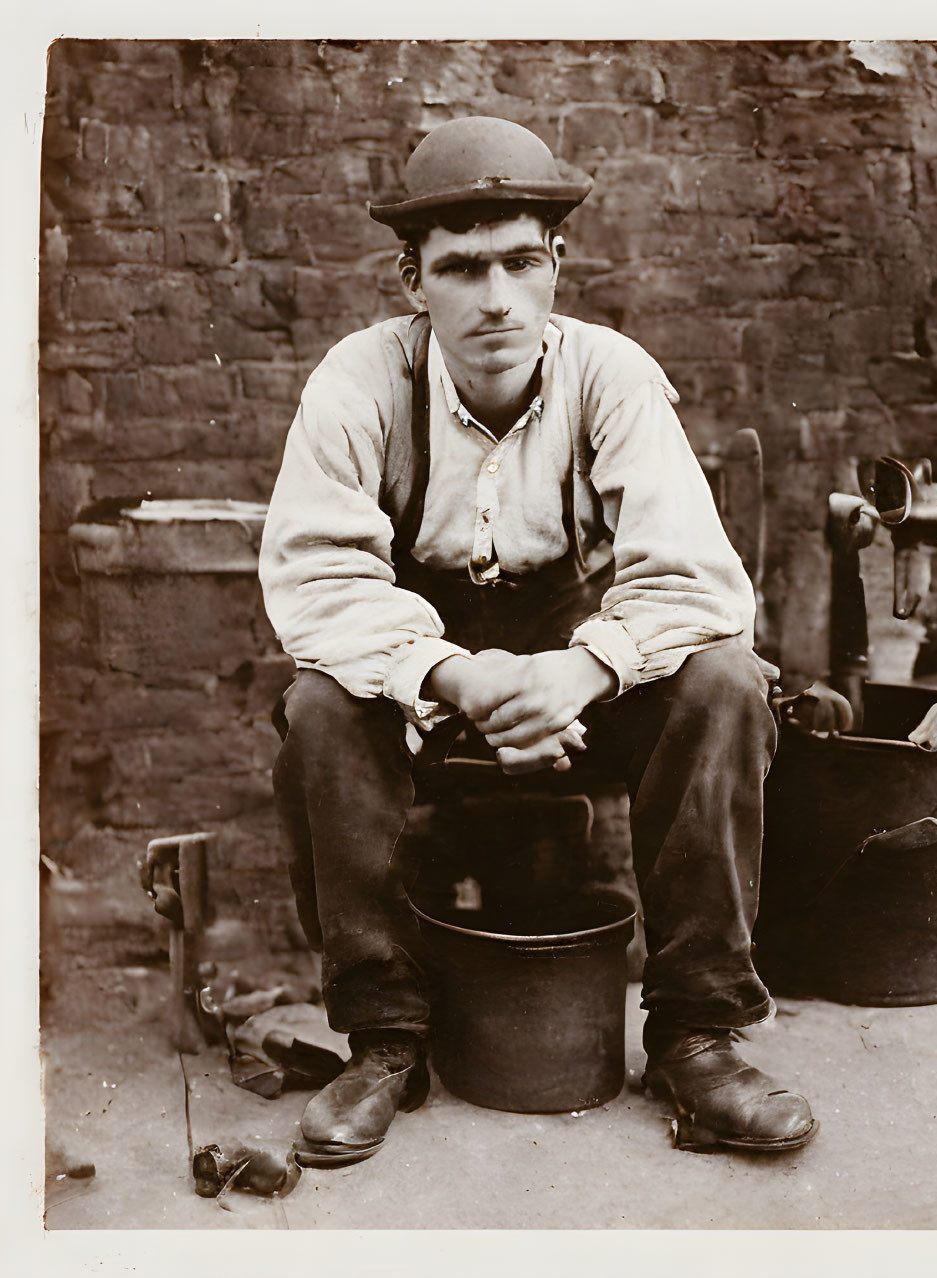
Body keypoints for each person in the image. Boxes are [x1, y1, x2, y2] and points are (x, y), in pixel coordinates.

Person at [259, 116, 816, 1165]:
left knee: (725, 683)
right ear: (411, 280)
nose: (496, 298)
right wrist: (458, 677)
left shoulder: (610, 376)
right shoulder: (357, 381)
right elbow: (318, 577)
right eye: (461, 269)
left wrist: (579, 669)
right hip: (423, 689)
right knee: (317, 708)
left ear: (556, 264)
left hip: (580, 681)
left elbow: (694, 577)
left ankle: (698, 1034)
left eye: (521, 262)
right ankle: (385, 1037)